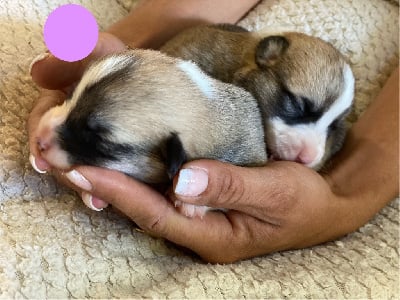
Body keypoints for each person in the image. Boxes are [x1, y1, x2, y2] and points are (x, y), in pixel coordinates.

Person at [28, 0, 398, 263]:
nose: (310, 152)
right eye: (298, 109)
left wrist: (348, 195)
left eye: (332, 126)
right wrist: (123, 54)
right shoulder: (209, 55)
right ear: (266, 58)